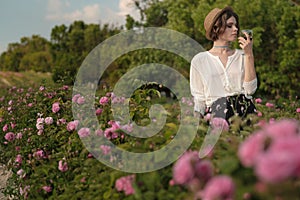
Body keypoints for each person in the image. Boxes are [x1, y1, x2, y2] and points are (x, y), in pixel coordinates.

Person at [190, 6, 257, 122]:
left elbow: (250, 90)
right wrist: (196, 126)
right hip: (218, 116)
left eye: (236, 25)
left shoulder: (243, 55)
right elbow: (199, 99)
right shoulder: (199, 60)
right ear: (216, 28)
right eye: (230, 26)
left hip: (245, 113)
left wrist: (249, 54)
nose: (235, 29)